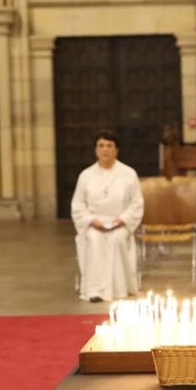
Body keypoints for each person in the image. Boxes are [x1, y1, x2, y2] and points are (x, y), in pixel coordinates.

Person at [71, 130, 144, 303]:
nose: (105, 150)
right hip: (94, 223)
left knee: (116, 239)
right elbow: (78, 204)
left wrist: (122, 219)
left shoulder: (128, 174)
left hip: (119, 223)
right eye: (101, 146)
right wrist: (90, 220)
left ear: (116, 150)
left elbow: (136, 203)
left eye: (109, 146)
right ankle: (95, 291)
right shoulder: (86, 176)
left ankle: (119, 289)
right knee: (95, 240)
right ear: (96, 150)